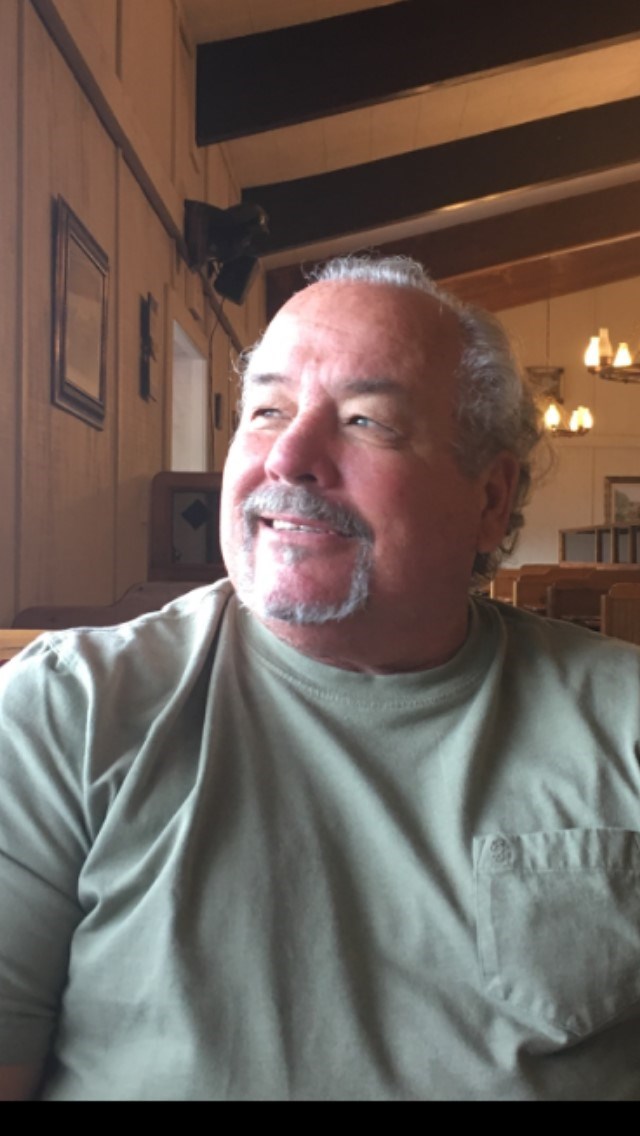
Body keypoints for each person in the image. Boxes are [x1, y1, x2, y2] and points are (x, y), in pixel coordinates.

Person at [2, 255, 640, 1101]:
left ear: (490, 499)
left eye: (366, 420)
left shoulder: (624, 722)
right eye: (267, 411)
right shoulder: (66, 711)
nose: (289, 456)